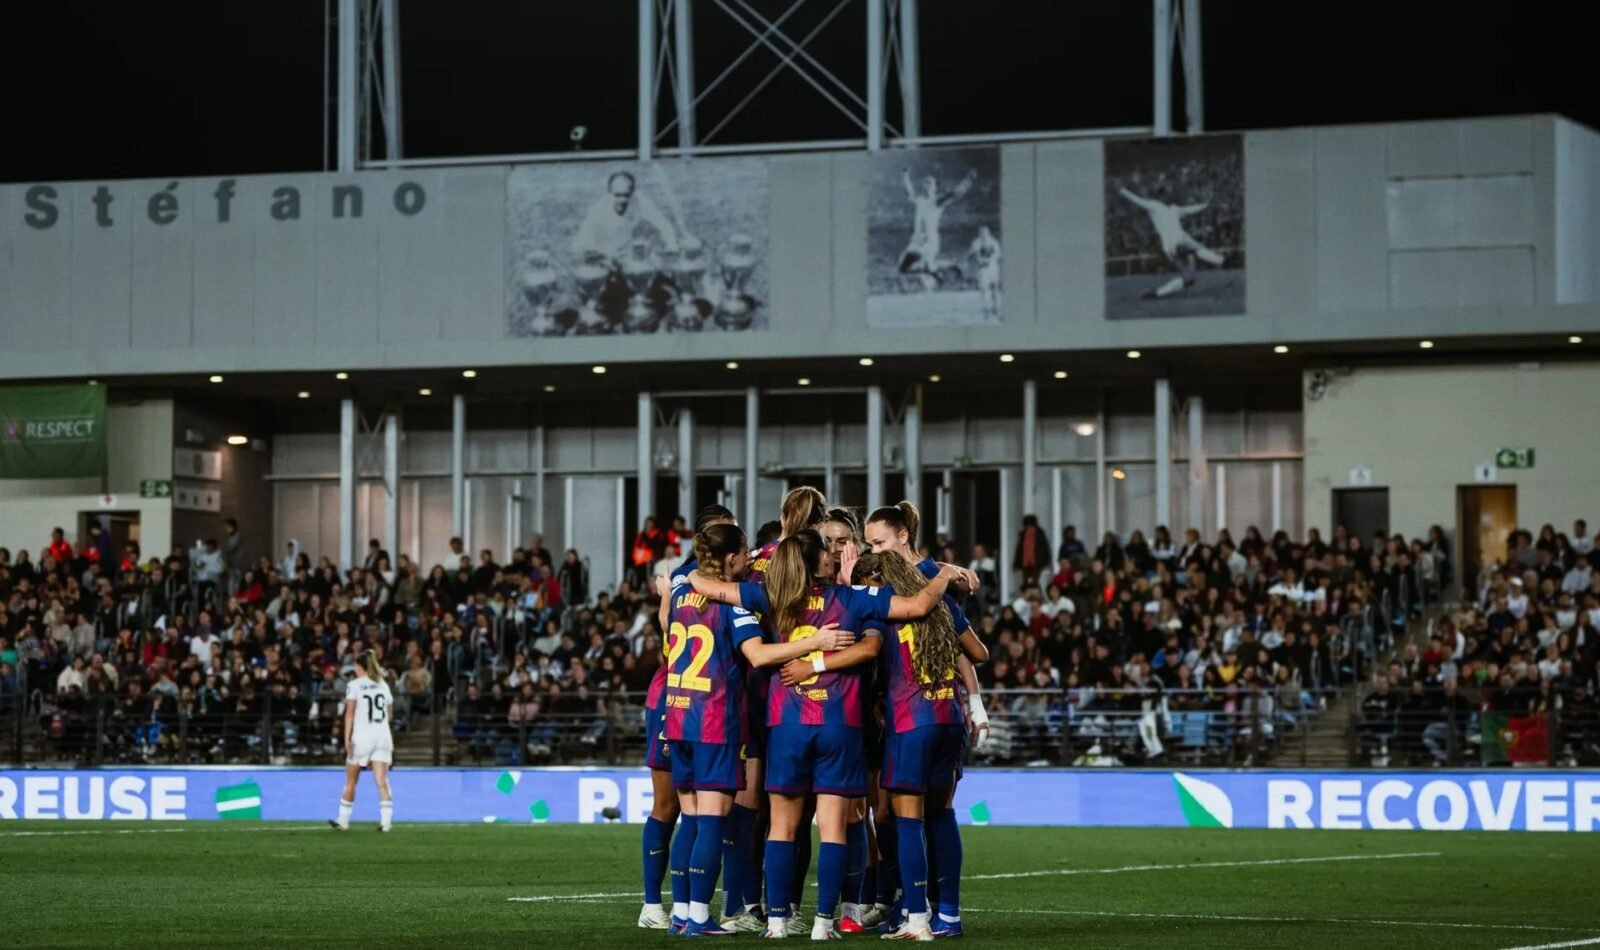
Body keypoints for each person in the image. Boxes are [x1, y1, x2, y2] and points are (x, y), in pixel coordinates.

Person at [685, 530, 957, 940]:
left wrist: (681, 580)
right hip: (839, 723)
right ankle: (824, 924)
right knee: (833, 827)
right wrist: (945, 574)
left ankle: (776, 921)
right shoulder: (853, 599)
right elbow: (920, 604)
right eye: (827, 551)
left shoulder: (774, 597)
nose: (833, 555)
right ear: (819, 562)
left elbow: (707, 586)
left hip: (787, 722)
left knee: (781, 826)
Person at [659, 523, 854, 938]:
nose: (751, 562)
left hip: (677, 713)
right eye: (746, 554)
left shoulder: (678, 593)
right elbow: (759, 655)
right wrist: (813, 642)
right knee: (713, 820)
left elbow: (666, 627)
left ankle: (679, 912)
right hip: (713, 718)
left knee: (690, 817)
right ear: (731, 558)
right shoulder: (735, 604)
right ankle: (697, 918)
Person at [638, 504, 737, 933]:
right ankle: (663, 905)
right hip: (687, 704)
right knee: (674, 807)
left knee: (695, 812)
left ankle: (686, 910)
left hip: (691, 704)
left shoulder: (686, 586)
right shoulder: (690, 582)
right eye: (725, 536)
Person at [1118, 185, 1226, 298]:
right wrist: (1122, 190)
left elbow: (1190, 209)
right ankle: (1222, 261)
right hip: (1176, 243)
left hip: (1173, 247)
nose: (1170, 195)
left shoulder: (1174, 209)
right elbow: (1137, 200)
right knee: (1197, 248)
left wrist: (1206, 205)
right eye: (1167, 193)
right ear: (1161, 195)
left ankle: (1157, 293)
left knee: (1189, 279)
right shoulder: (1154, 206)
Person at [330, 653, 394, 832]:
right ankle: (386, 822)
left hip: (363, 737)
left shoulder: (354, 685)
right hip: (382, 736)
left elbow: (349, 713)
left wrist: (347, 738)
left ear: (360, 667)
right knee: (382, 780)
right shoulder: (383, 684)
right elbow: (390, 715)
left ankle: (343, 819)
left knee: (351, 780)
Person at [897, 166, 976, 291]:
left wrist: (968, 181)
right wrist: (905, 176)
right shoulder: (920, 200)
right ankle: (940, 268)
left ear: (935, 187)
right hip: (916, 240)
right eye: (925, 183)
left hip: (930, 241)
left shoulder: (937, 201)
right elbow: (909, 192)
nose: (927, 186)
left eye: (930, 183)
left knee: (927, 263)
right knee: (902, 269)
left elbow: (956, 194)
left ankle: (936, 269)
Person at [968, 225, 1002, 319]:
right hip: (982, 269)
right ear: (979, 233)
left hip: (993, 268)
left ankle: (996, 307)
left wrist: (989, 260)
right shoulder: (976, 242)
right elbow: (971, 253)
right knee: (984, 289)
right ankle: (986, 308)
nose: (983, 234)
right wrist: (977, 258)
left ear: (988, 232)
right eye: (981, 232)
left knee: (995, 288)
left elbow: (998, 254)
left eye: (985, 232)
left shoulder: (993, 242)